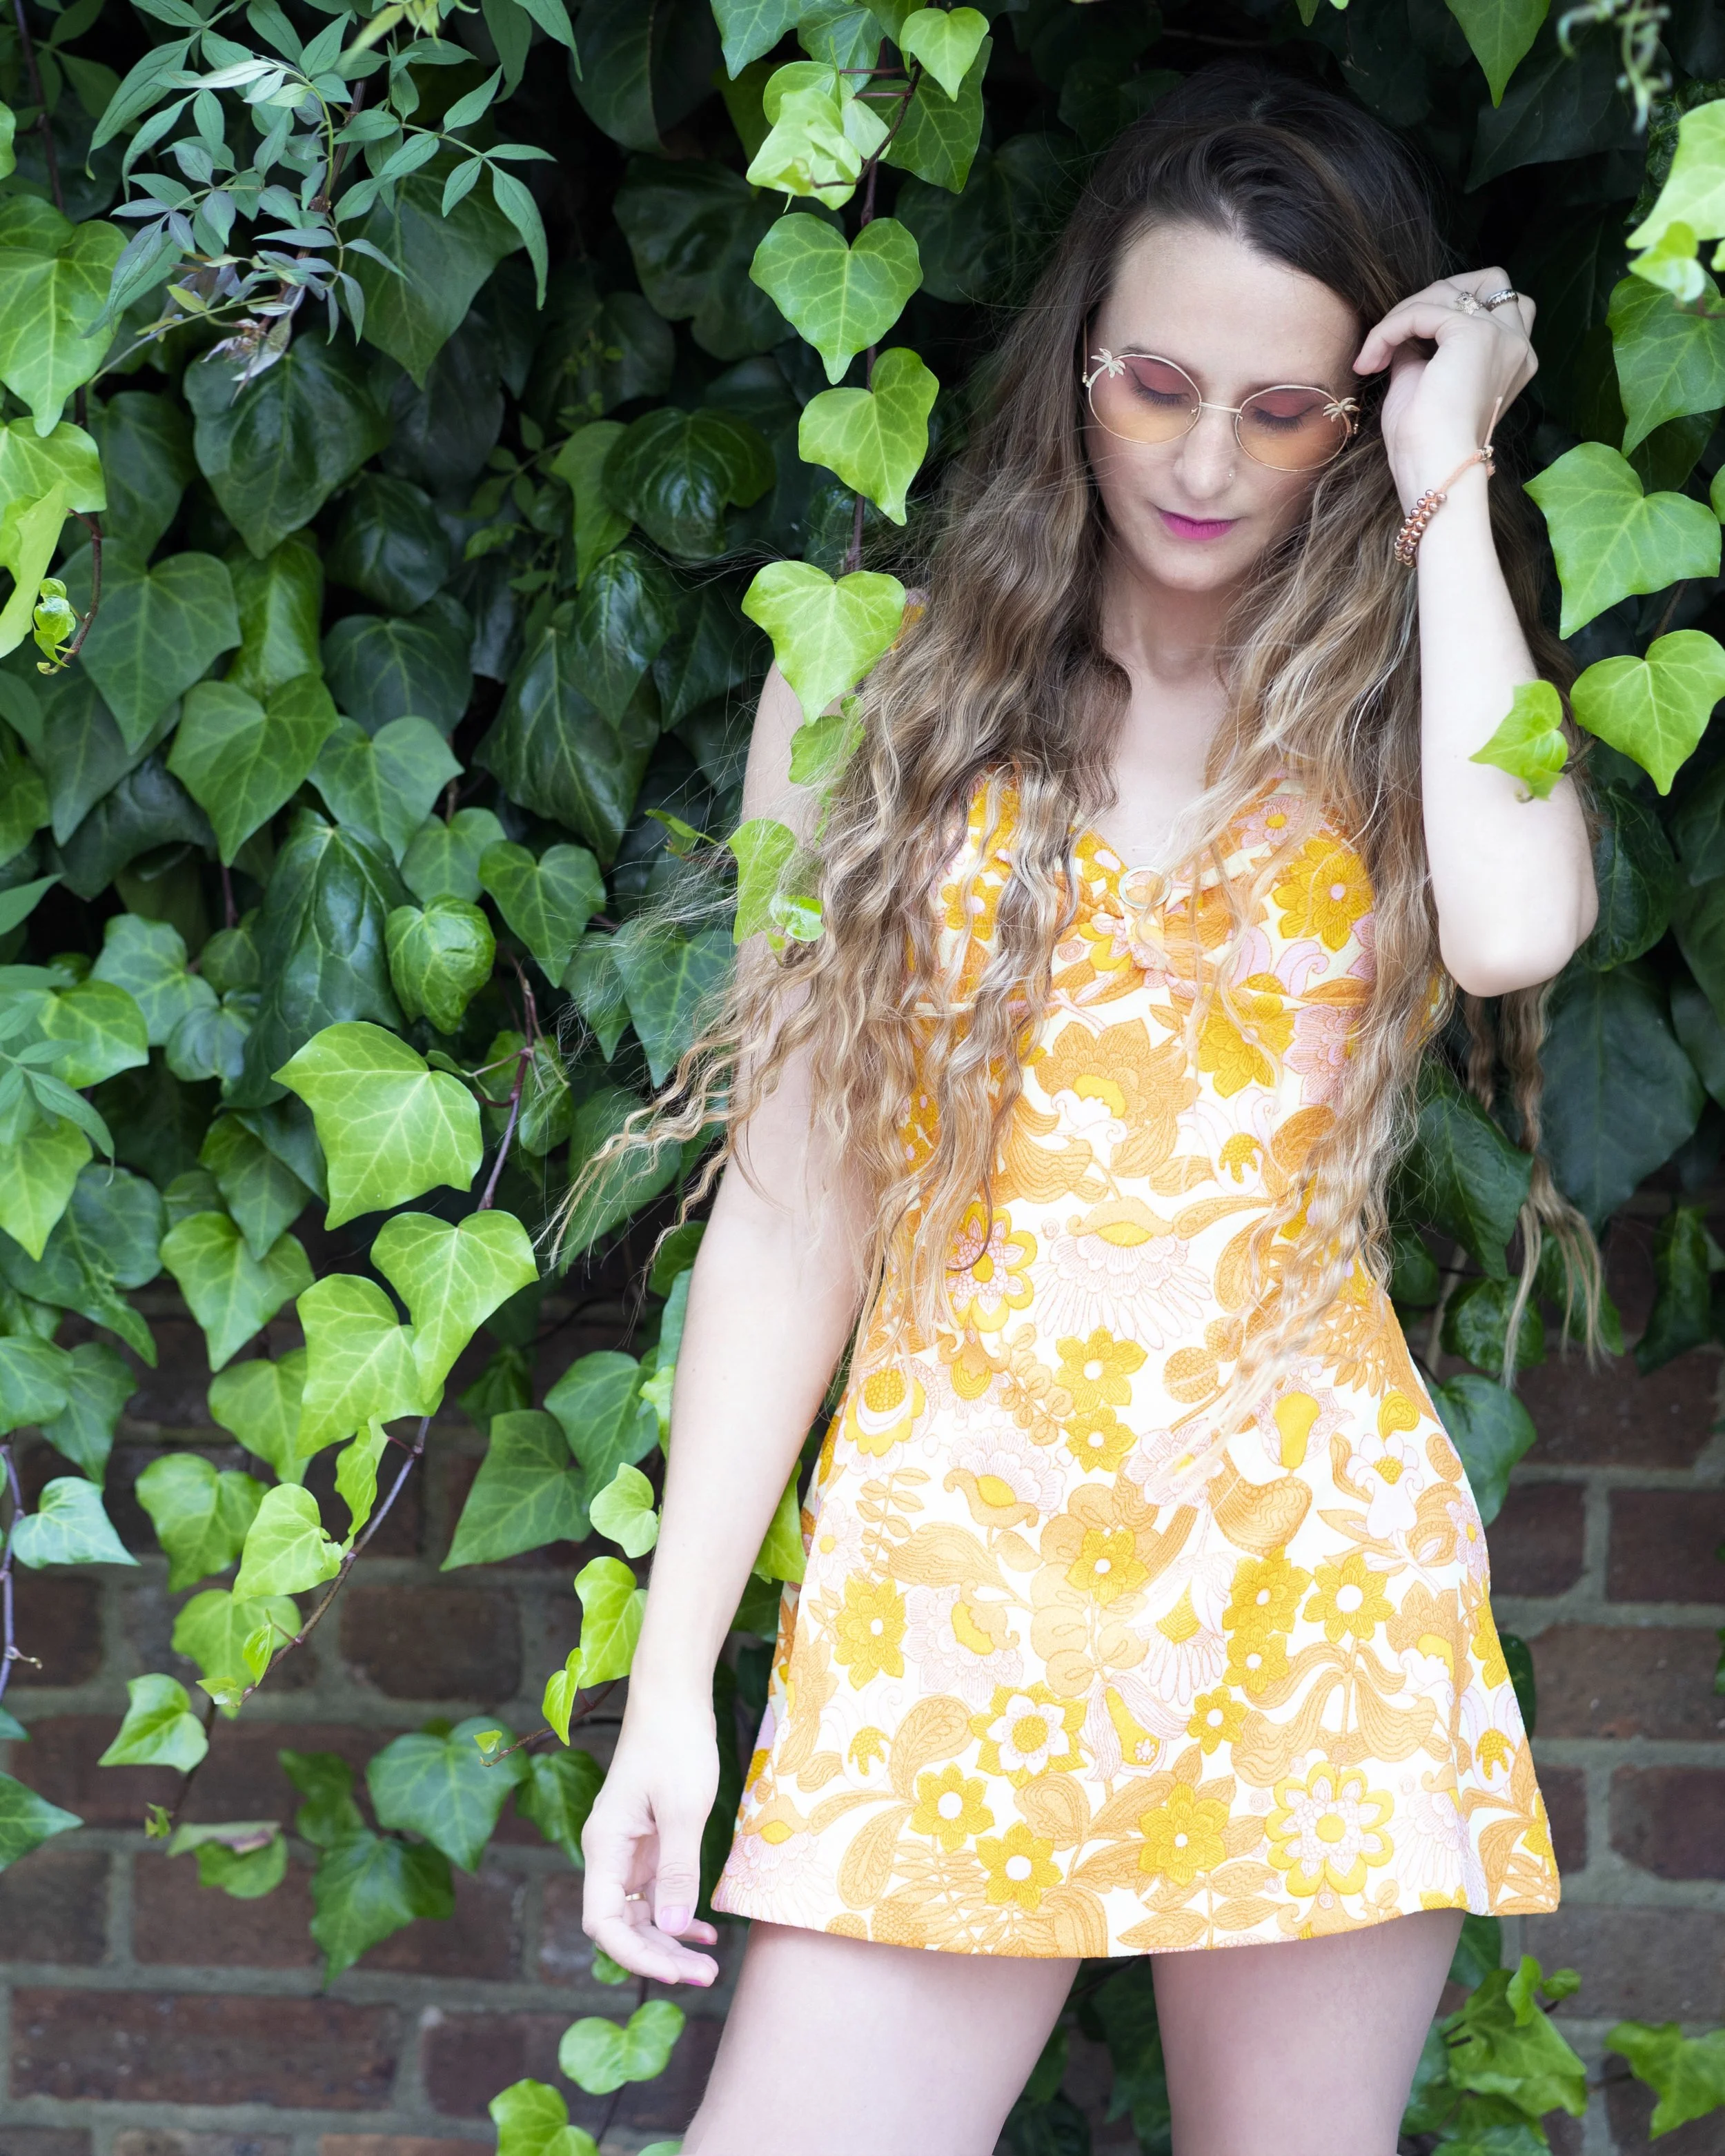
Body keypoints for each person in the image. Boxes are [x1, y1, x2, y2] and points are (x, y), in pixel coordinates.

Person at [571, 61, 1601, 2156]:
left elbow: (1512, 926)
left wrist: (1443, 476)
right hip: (948, 1571)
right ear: (1072, 369)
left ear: (1359, 406)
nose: (1205, 456)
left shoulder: (1410, 669)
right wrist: (672, 1682)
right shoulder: (876, 674)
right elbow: (788, 1210)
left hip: (1301, 1579)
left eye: (1284, 405)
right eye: (1154, 383)